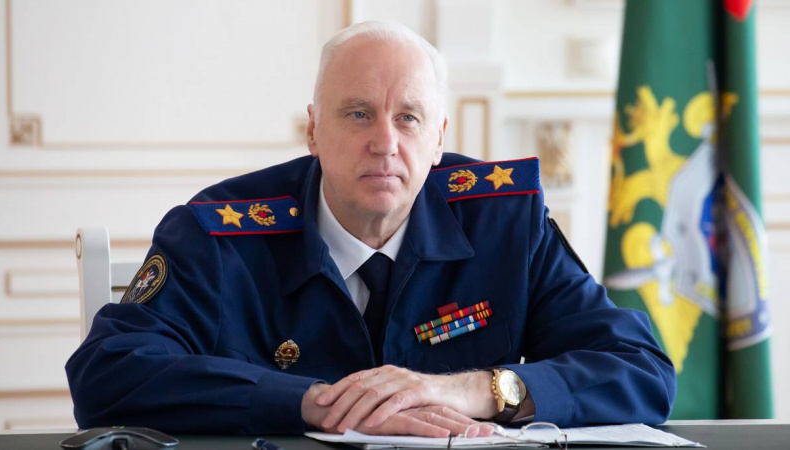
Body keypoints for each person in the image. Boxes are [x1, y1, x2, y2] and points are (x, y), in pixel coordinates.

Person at [66, 21, 675, 436]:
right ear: (313, 130)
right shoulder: (220, 234)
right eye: (358, 114)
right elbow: (107, 373)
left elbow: (642, 369)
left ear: (438, 140)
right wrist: (318, 404)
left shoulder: (505, 223)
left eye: (408, 119)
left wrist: (480, 391)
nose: (385, 143)